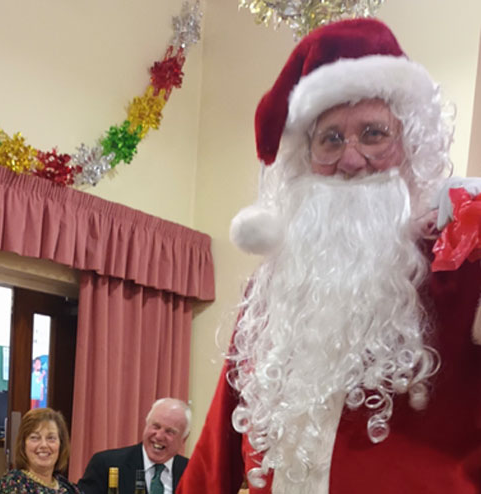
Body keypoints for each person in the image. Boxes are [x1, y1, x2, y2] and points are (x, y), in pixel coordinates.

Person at [179, 18, 481, 493]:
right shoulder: (275, 289)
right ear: (307, 158)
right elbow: (215, 455)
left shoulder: (462, 267)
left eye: (374, 133)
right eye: (331, 139)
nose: (352, 159)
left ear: (410, 144)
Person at [76, 399, 189, 494]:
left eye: (170, 432)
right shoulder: (106, 464)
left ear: (184, 439)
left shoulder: (192, 472)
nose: (159, 436)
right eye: (156, 426)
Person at [0, 408, 80, 494]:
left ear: (61, 444)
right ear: (23, 444)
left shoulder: (69, 488)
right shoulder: (13, 483)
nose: (43, 445)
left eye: (51, 438)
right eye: (35, 438)